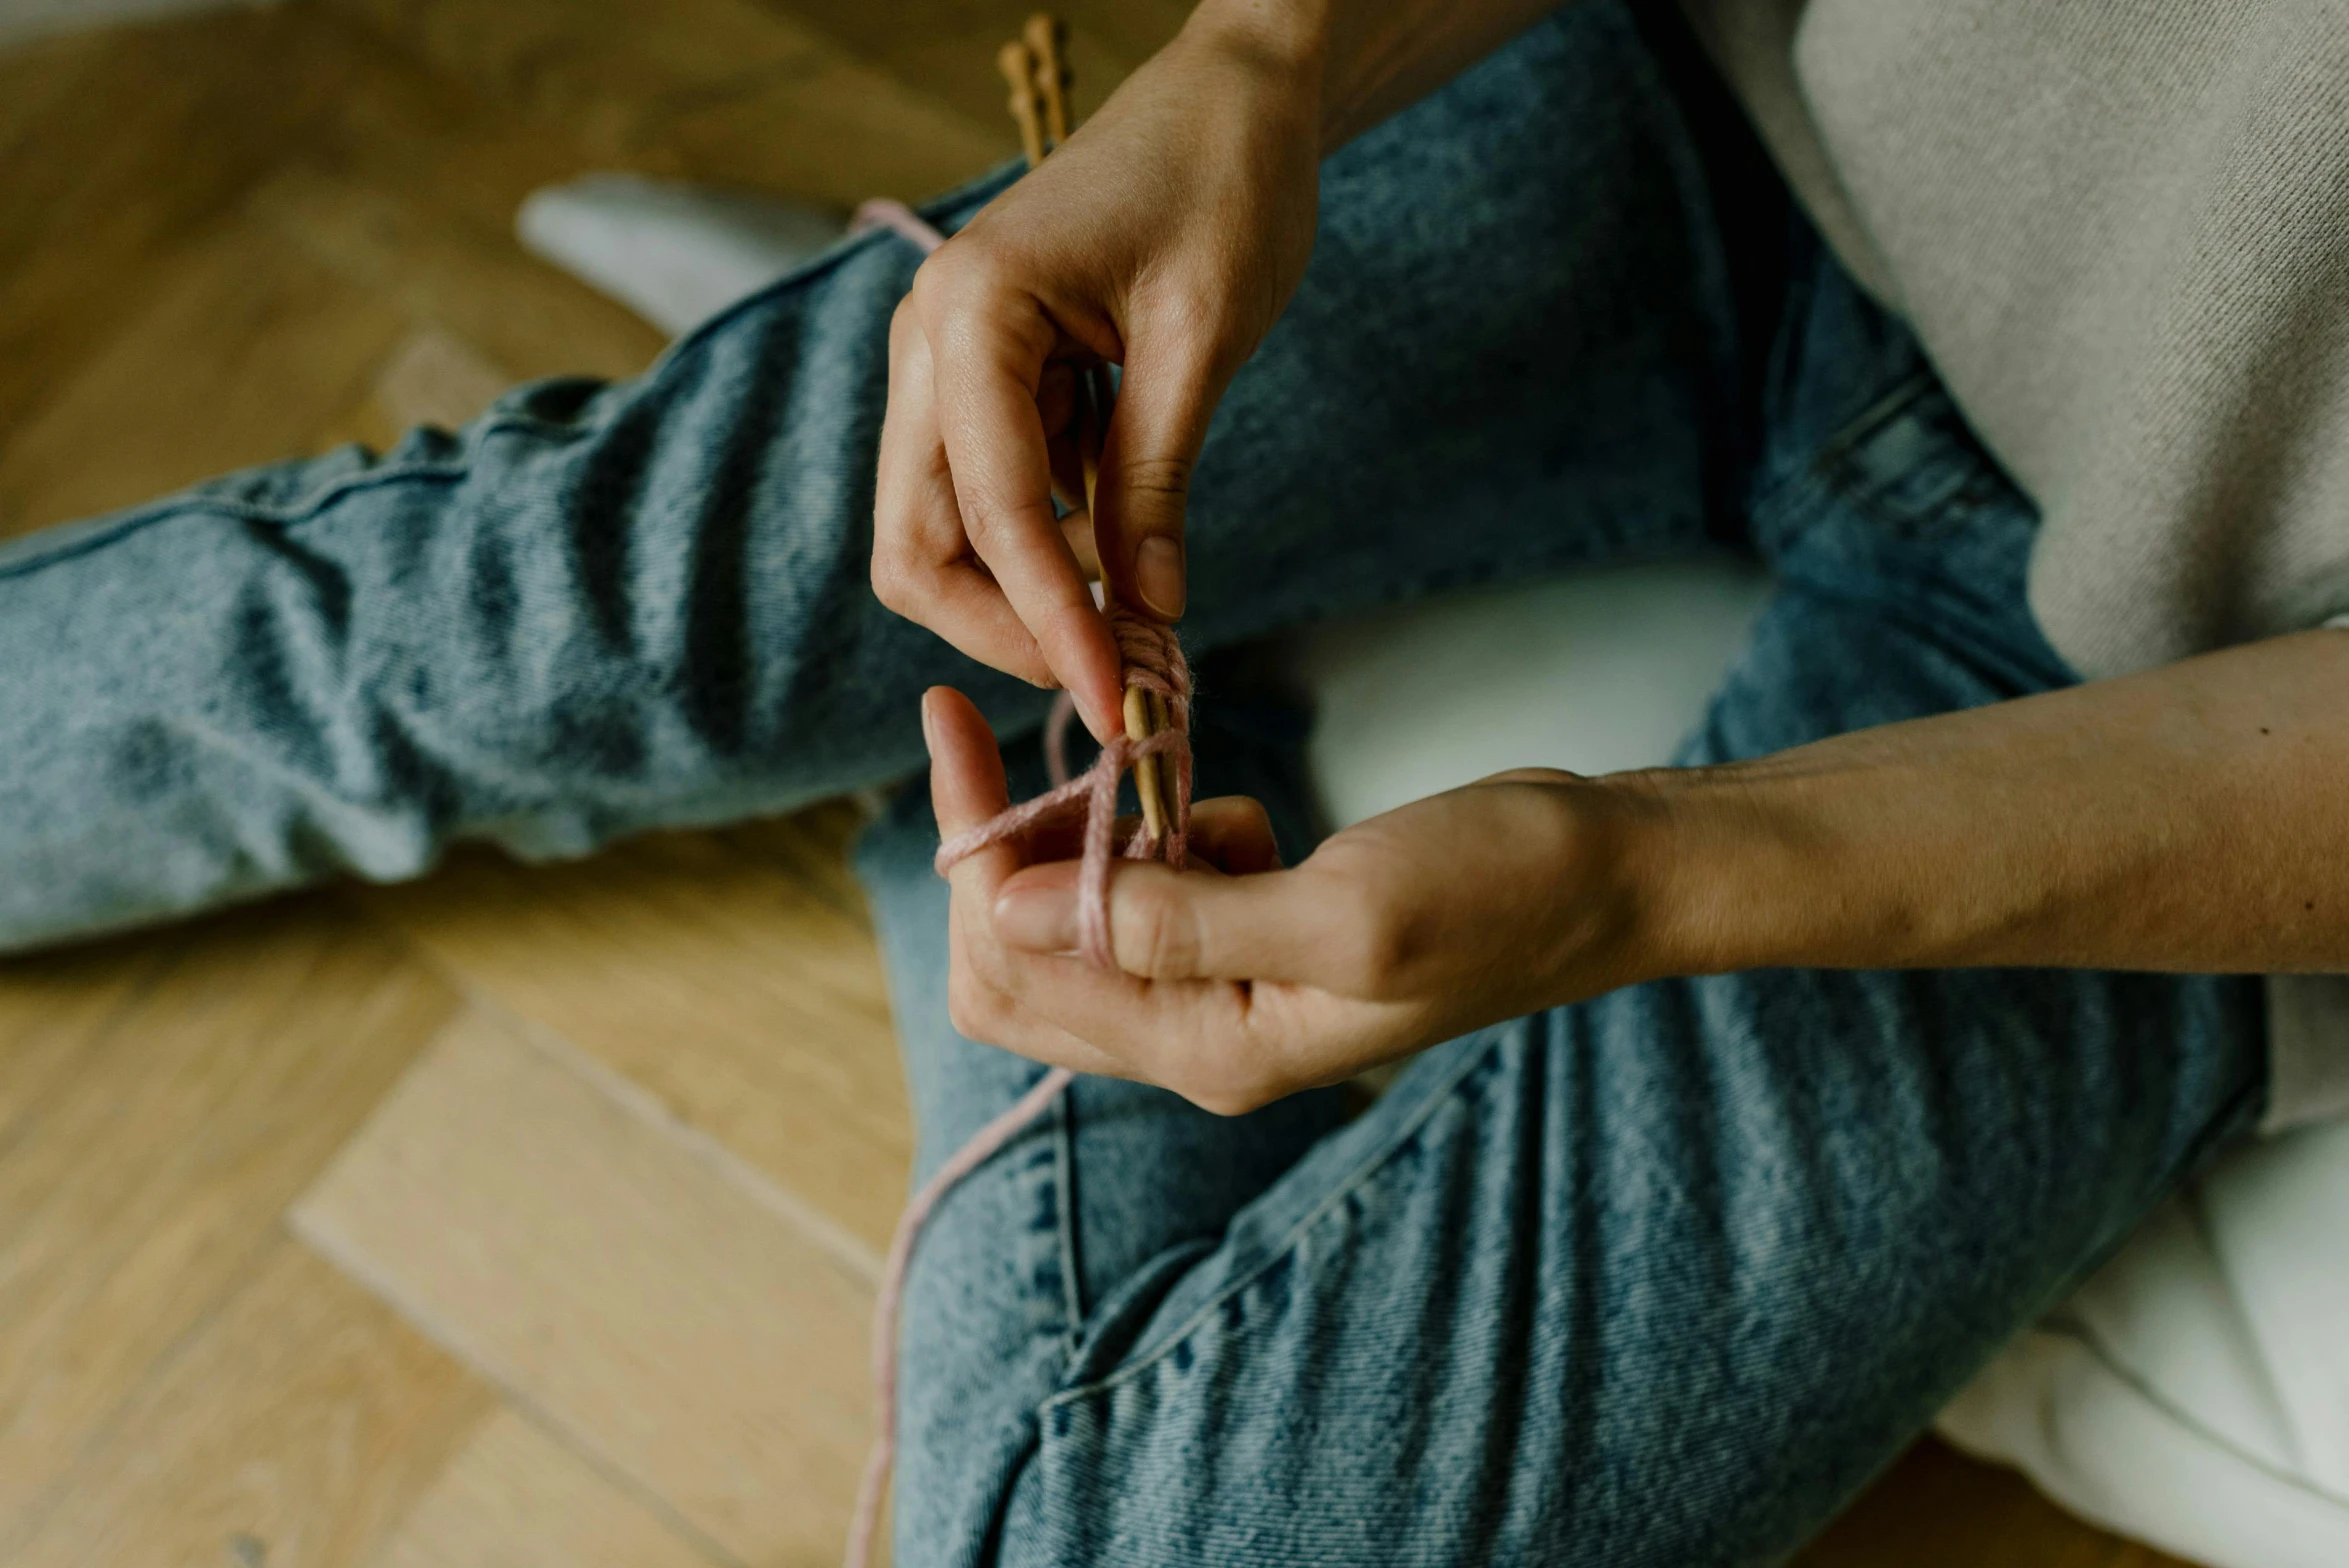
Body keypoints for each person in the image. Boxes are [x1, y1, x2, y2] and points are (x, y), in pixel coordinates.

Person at [3, 0, 2346, 1560]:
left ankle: (964, 716)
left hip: (2168, 705)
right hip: (1727, 116)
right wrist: (1255, 61)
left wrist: (1641, 881)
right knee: (578, 620)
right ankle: (913, 650)